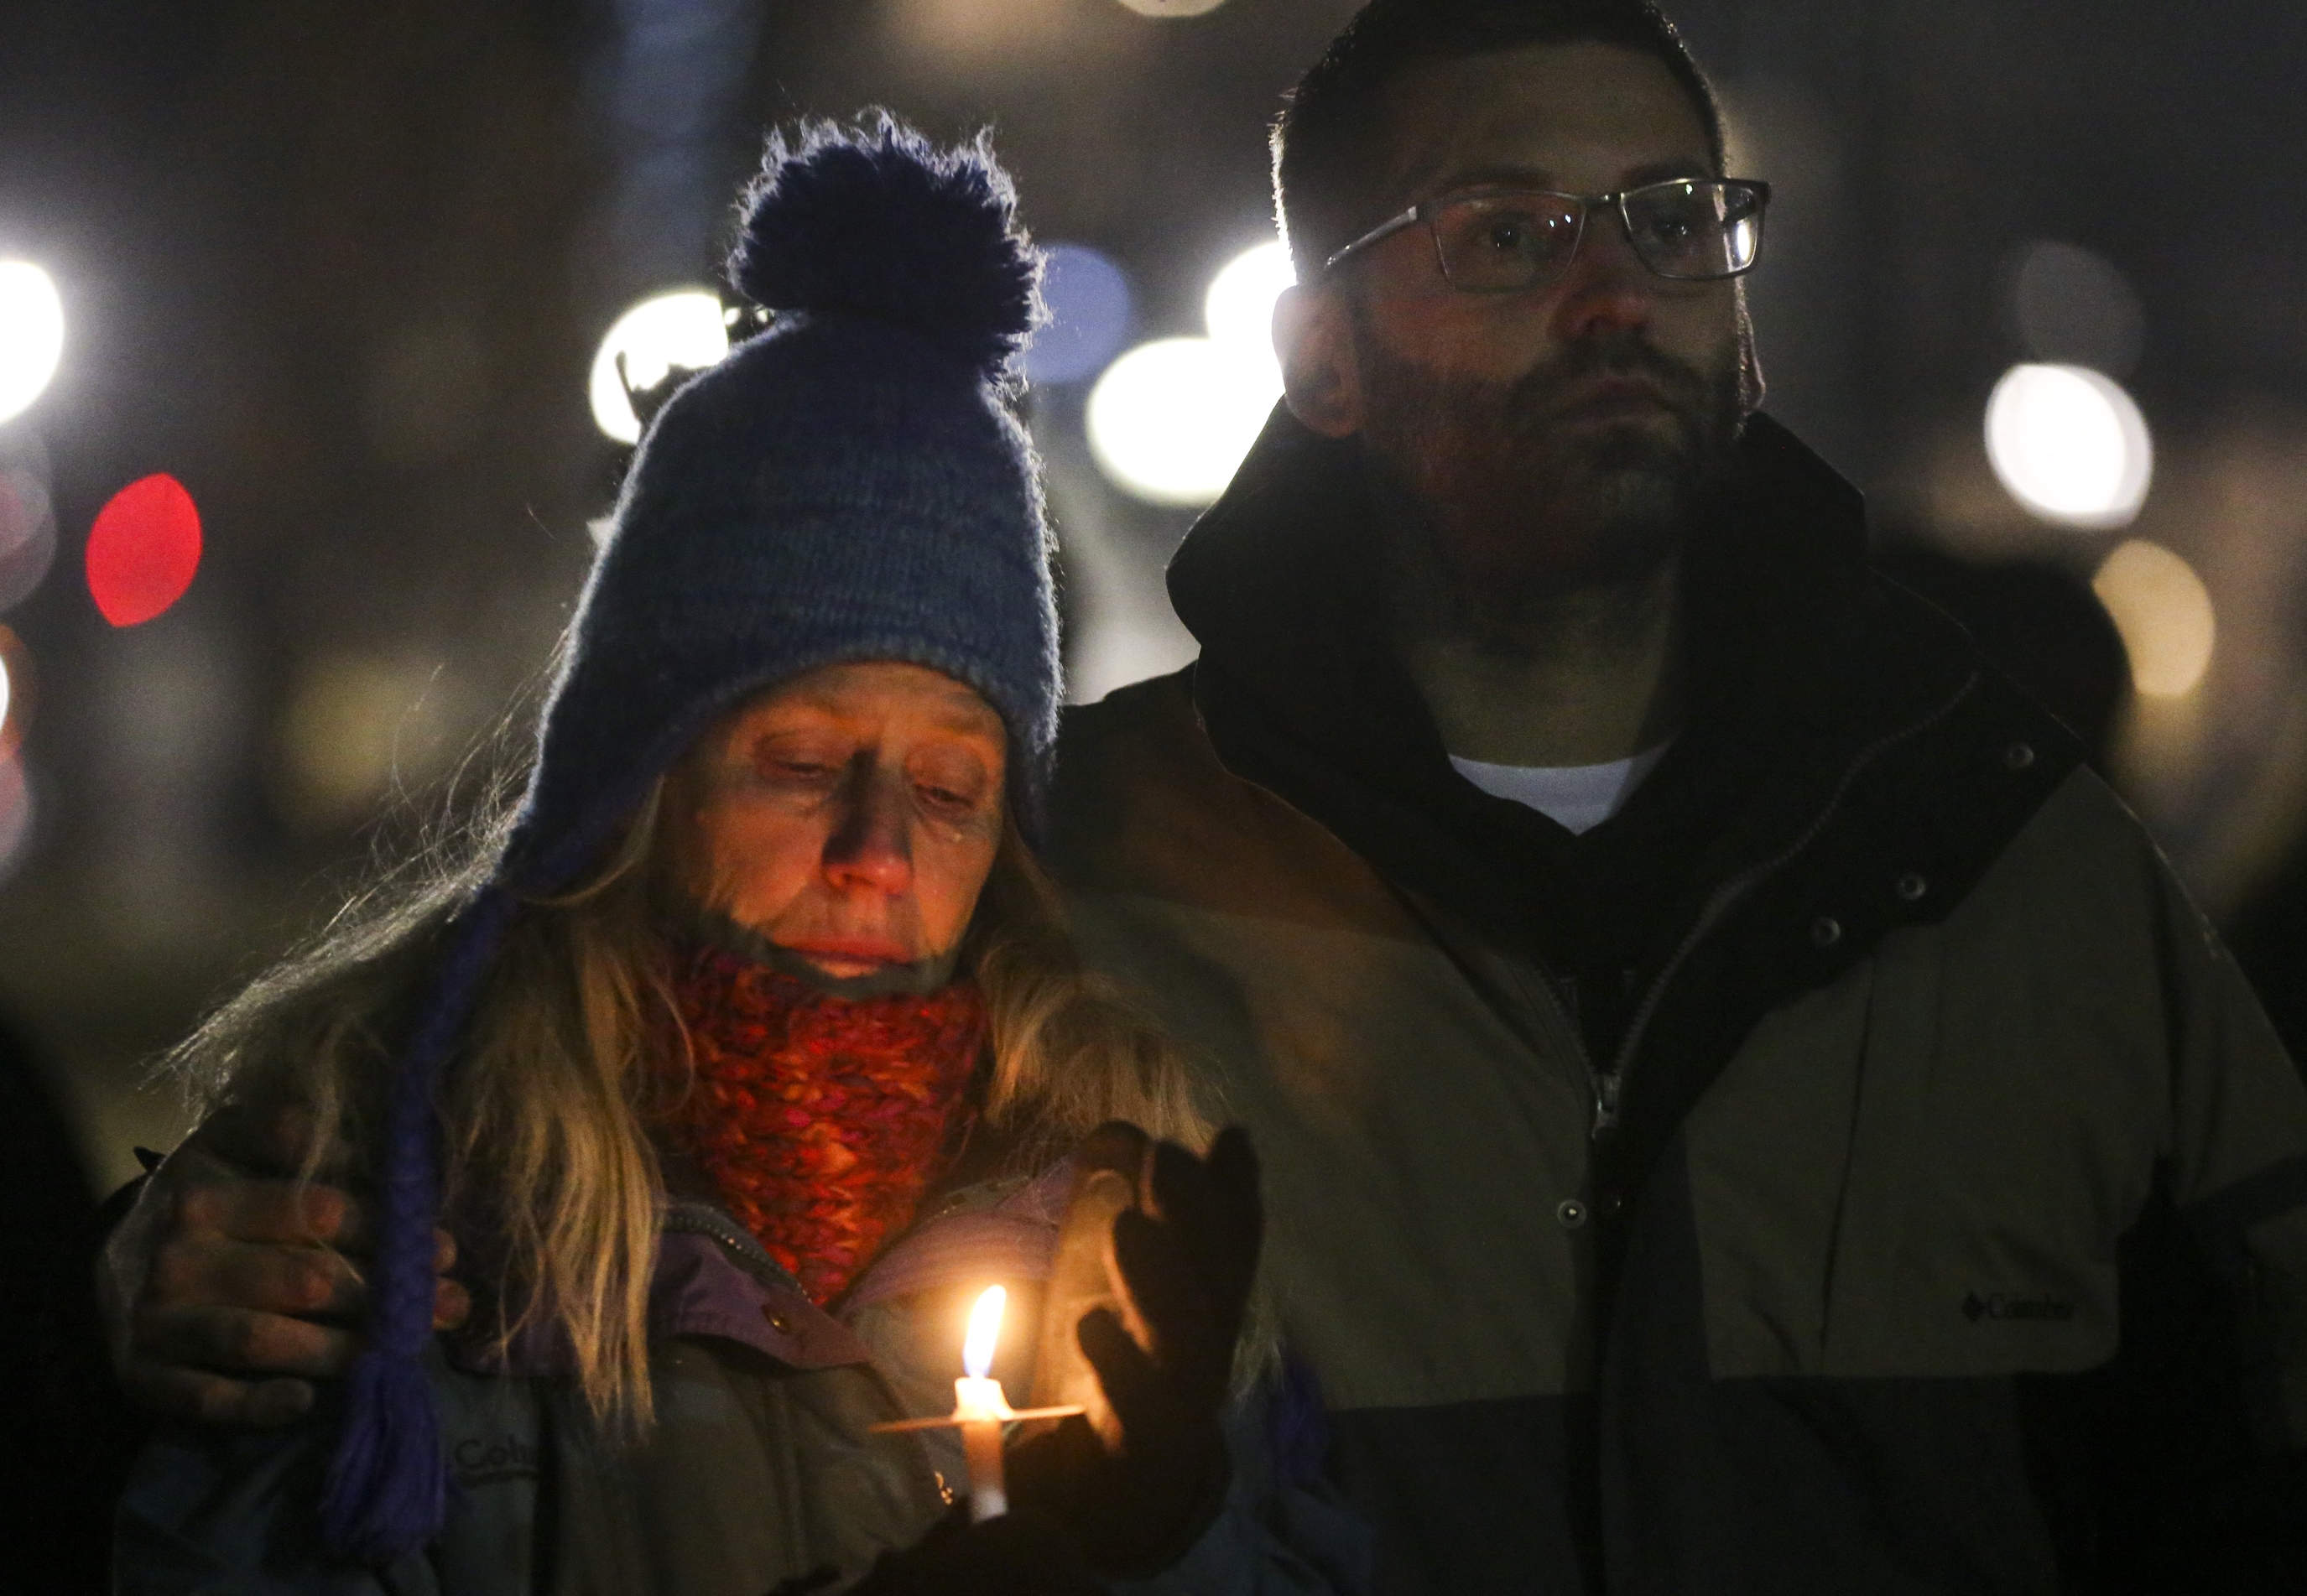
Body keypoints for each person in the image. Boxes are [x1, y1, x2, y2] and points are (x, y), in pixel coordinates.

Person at [102, 3, 2307, 1590]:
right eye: (1501, 232)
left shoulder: (2017, 868)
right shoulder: (1106, 894)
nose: (1613, 288)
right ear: (1318, 354)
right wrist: (157, 1291)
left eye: (1663, 214)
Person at [104, 119, 1363, 1595]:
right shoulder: (389, 1225)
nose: (876, 853)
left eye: (953, 789)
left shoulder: (1140, 1216)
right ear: (631, 785)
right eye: (802, 765)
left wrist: (1165, 1539)